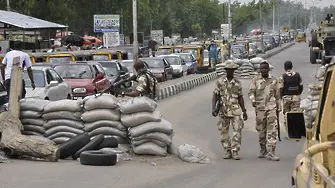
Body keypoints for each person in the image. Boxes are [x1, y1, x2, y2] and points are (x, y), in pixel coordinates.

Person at [212, 60, 248, 160]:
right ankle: (227, 150)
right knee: (224, 131)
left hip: (235, 110)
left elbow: (240, 97)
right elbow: (215, 95)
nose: (230, 72)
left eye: (232, 70)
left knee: (237, 131)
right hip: (223, 110)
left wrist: (244, 111)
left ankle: (235, 151)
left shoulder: (237, 83)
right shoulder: (220, 82)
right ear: (226, 70)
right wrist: (213, 108)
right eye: (228, 70)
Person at [248, 61, 281, 161]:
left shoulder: (274, 80)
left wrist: (279, 107)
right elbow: (251, 92)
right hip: (260, 109)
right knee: (261, 131)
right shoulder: (256, 80)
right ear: (260, 69)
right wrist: (253, 100)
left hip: (271, 108)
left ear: (268, 69)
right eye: (261, 68)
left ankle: (271, 152)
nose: (263, 70)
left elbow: (277, 95)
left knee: (272, 130)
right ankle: (263, 150)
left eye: (265, 68)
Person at [278, 61, 303, 126]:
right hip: (296, 97)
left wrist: (281, 97)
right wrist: (298, 93)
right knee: (296, 114)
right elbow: (301, 86)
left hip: (286, 98)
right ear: (292, 66)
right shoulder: (297, 75)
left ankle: (289, 127)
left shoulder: (283, 76)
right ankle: (296, 128)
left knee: (287, 114)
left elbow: (281, 88)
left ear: (284, 67)